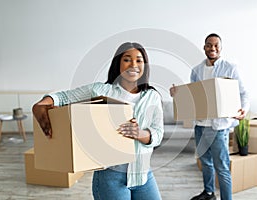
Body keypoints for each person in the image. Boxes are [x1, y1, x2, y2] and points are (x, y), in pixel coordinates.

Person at [32, 42, 164, 200]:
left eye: (139, 60)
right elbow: (63, 97)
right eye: (127, 59)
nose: (133, 65)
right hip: (111, 176)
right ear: (118, 64)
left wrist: (140, 134)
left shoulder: (153, 97)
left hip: (144, 175)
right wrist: (41, 104)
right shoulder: (100, 90)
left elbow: (158, 133)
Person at [170, 33, 250, 200]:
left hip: (219, 127)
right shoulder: (197, 70)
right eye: (209, 45)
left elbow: (243, 93)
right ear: (204, 47)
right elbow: (192, 97)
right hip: (201, 125)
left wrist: (243, 109)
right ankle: (209, 193)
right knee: (205, 163)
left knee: (222, 167)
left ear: (221, 48)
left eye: (216, 45)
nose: (212, 48)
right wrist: (177, 94)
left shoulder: (230, 68)